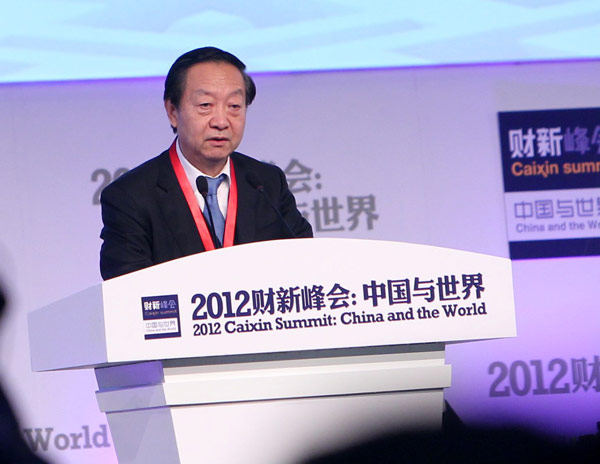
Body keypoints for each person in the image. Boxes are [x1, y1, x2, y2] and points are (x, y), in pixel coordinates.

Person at [100, 47, 312, 280]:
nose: (221, 121)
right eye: (205, 105)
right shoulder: (130, 197)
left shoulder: (266, 183)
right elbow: (125, 288)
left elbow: (306, 262)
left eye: (234, 106)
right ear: (172, 112)